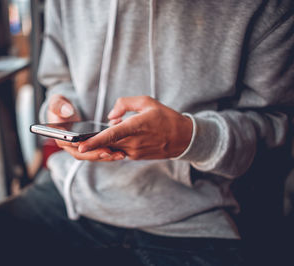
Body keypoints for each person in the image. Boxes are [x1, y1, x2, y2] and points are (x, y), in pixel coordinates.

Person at [33, 0, 294, 265]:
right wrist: (60, 110)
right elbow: (57, 80)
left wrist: (193, 138)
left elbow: (276, 126)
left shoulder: (271, 8)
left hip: (196, 216)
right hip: (71, 194)